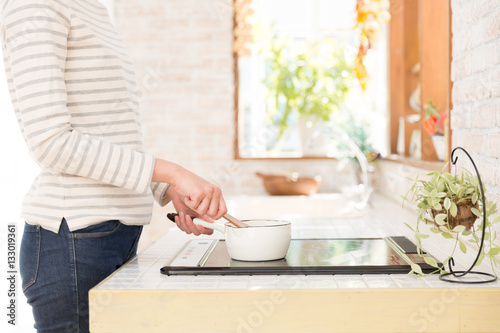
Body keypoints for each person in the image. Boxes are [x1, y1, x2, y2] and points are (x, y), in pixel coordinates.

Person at [1, 0, 225, 332]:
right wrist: (173, 173)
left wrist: (166, 188)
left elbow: (107, 131)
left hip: (109, 238)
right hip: (73, 242)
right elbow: (51, 142)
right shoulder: (34, 6)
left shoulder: (90, 6)